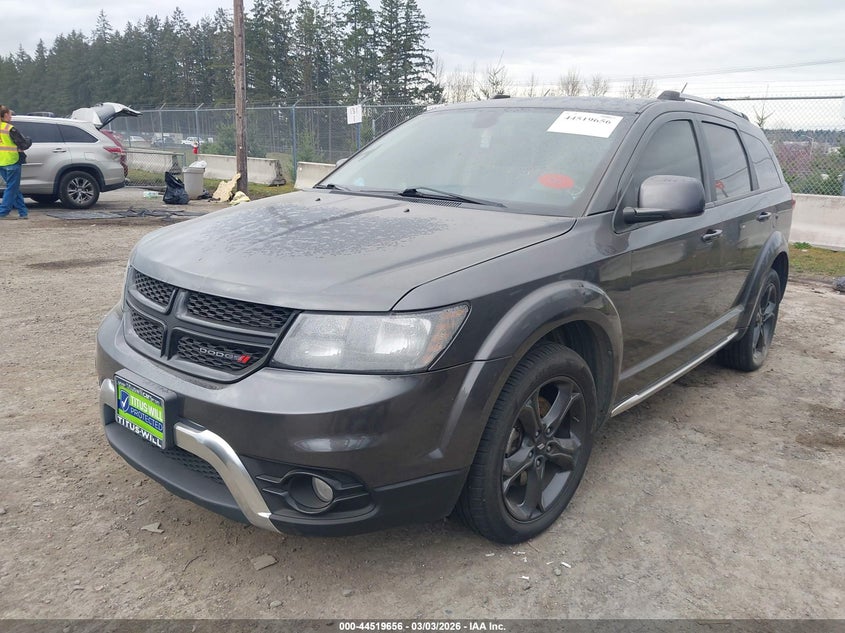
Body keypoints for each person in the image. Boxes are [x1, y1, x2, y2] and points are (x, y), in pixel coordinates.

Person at [0, 105, 33, 219]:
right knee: (12, 188)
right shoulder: (10, 128)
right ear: (4, 115)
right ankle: (3, 212)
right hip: (12, 161)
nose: (11, 116)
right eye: (9, 114)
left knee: (13, 187)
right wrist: (29, 140)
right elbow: (23, 143)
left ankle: (23, 212)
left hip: (1, 162)